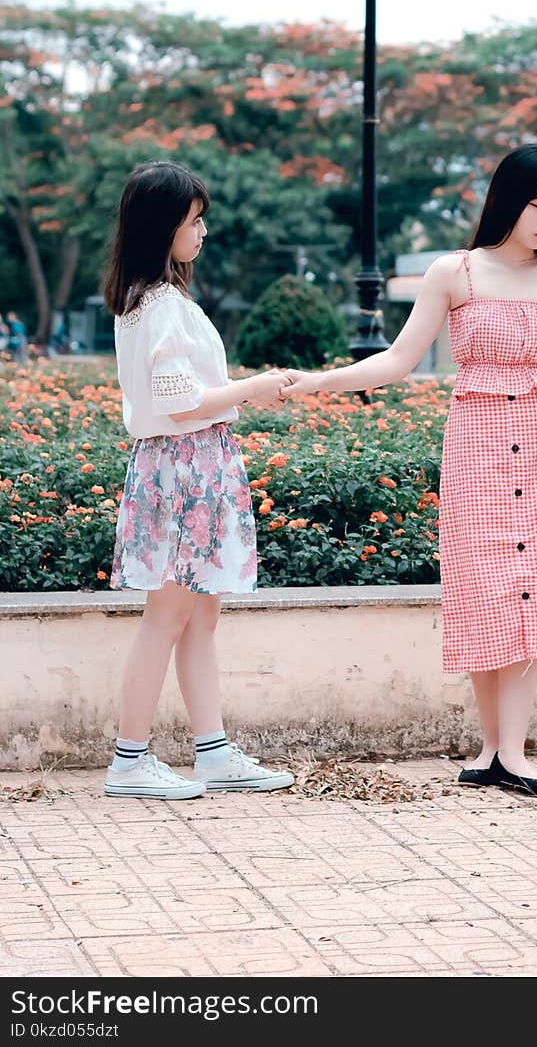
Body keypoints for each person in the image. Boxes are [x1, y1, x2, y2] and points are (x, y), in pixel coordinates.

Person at [282, 144, 537, 797]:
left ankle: (514, 751)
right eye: (536, 204)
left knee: (532, 590)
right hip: (476, 455)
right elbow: (395, 361)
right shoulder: (455, 274)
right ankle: (490, 749)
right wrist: (314, 383)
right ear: (507, 199)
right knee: (485, 591)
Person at [102, 161, 298, 800]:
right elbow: (181, 401)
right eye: (194, 220)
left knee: (198, 617)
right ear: (166, 227)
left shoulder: (157, 301)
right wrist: (259, 388)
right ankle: (130, 760)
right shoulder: (158, 305)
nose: (203, 230)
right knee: (169, 616)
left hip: (193, 464)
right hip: (184, 465)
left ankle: (212, 753)